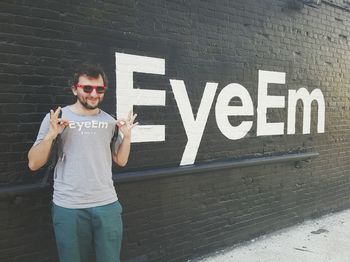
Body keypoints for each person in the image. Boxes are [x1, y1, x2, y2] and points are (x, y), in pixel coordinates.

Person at [28, 63, 137, 262]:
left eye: (99, 89)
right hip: (69, 206)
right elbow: (33, 163)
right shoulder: (56, 119)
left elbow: (121, 160)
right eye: (87, 88)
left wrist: (127, 137)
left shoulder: (110, 121)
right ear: (74, 89)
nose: (93, 94)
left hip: (107, 204)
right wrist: (51, 136)